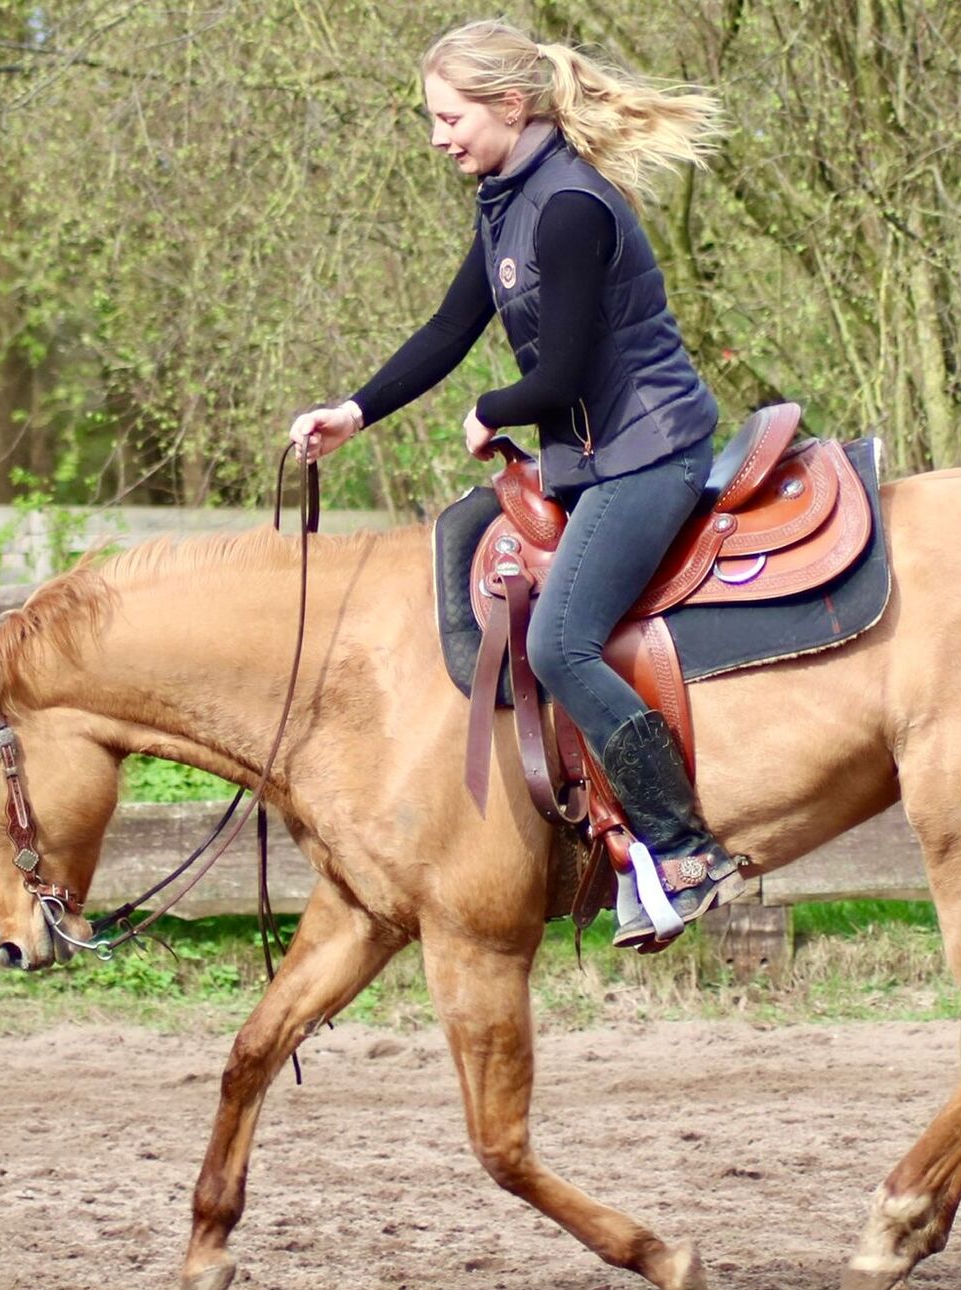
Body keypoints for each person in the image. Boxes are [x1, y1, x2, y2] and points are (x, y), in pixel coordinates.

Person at [287, 20, 745, 946]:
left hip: (648, 453)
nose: (437, 135)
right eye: (433, 118)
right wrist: (356, 410)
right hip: (593, 453)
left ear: (510, 105)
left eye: (450, 116)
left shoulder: (571, 206)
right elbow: (449, 329)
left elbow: (563, 374)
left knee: (564, 644)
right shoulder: (508, 198)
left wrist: (492, 409)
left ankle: (685, 848)